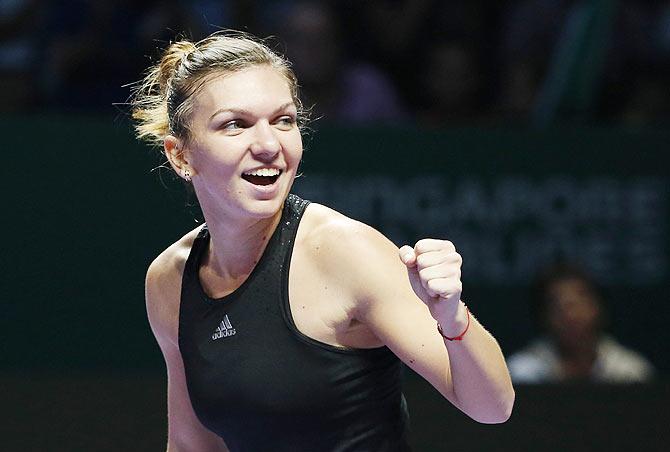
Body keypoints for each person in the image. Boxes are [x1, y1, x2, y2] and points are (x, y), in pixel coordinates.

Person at [131, 31, 514, 451]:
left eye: (283, 120)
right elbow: (191, 445)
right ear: (180, 154)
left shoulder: (345, 252)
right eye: (235, 125)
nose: (268, 145)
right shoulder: (169, 281)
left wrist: (452, 320)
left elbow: (493, 407)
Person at [507, 263, 655, 384]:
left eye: (579, 303)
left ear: (598, 307)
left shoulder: (629, 372)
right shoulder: (522, 373)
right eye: (558, 307)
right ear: (543, 315)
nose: (570, 315)